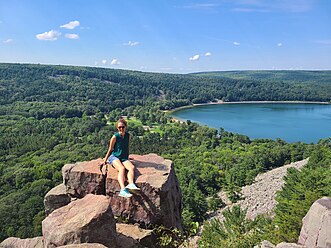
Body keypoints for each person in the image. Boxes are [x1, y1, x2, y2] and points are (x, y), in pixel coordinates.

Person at [102, 118, 140, 198]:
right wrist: (105, 160)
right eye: (119, 127)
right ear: (117, 128)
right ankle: (123, 190)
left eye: (123, 127)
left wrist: (127, 157)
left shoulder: (128, 135)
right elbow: (110, 149)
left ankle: (131, 184)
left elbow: (126, 147)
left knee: (131, 167)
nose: (121, 129)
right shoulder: (115, 137)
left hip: (124, 157)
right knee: (122, 169)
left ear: (125, 127)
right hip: (114, 157)